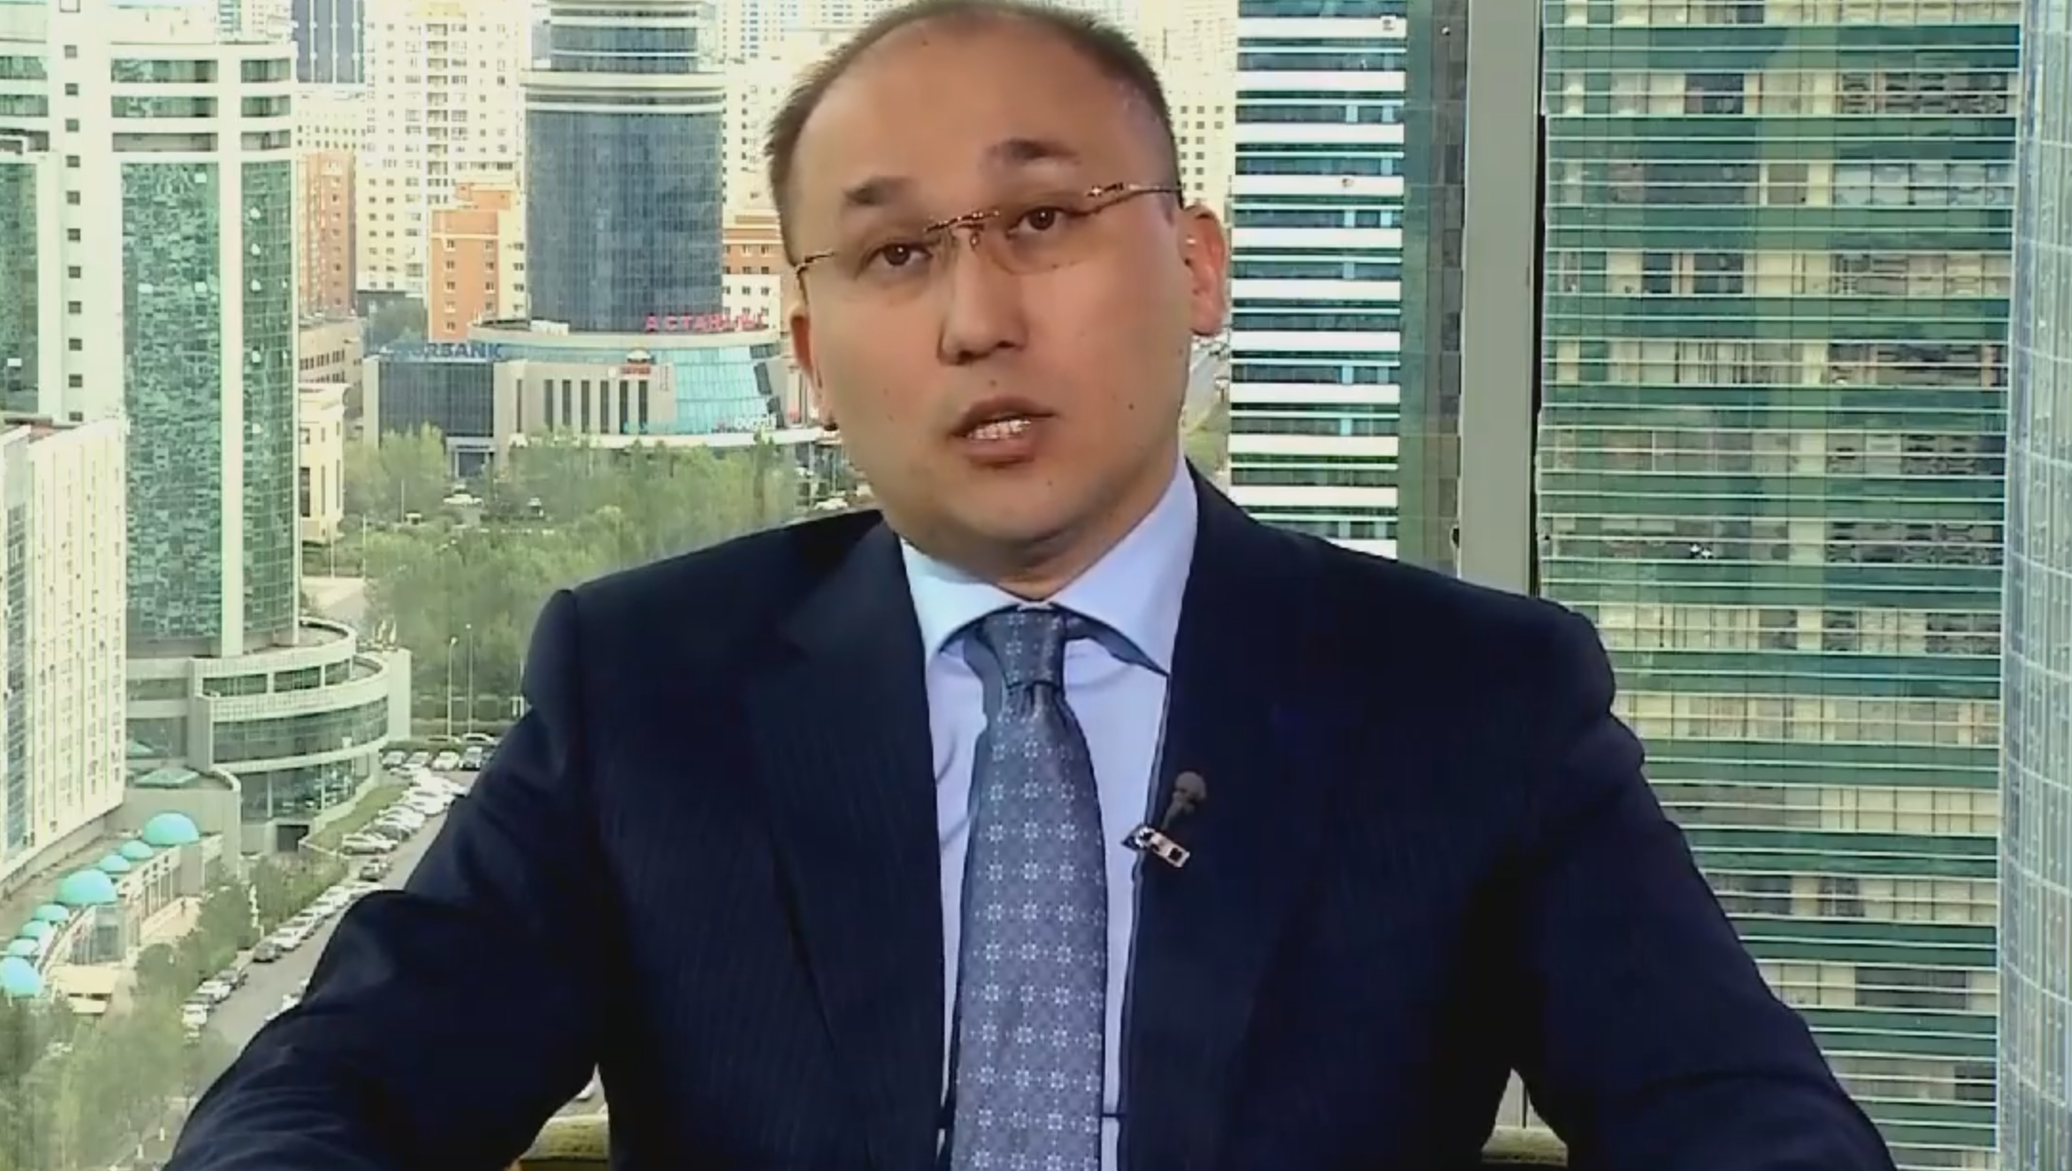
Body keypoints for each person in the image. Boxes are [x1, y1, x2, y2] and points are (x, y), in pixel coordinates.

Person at [167, 3, 1898, 1169]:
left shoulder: (1472, 702)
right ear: (808, 354)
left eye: (1046, 221)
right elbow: (336, 1089)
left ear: (1196, 265)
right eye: (895, 251)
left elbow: (1739, 1115)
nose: (977, 316)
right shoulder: (649, 690)